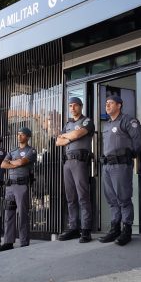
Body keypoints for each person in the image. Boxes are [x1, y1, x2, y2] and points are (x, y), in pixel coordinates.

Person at [99, 94, 141, 246]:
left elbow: (139, 141)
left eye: (111, 103)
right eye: (106, 103)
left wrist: (129, 155)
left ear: (119, 105)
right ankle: (115, 229)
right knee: (112, 199)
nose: (107, 105)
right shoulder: (106, 125)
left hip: (121, 165)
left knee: (123, 198)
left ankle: (127, 230)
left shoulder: (127, 120)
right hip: (107, 166)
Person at [56, 97, 95, 243]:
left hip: (80, 161)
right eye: (70, 106)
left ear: (81, 106)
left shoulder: (86, 121)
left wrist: (67, 137)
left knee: (83, 196)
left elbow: (78, 134)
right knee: (70, 197)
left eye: (75, 105)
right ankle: (73, 228)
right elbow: (57, 141)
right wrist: (69, 137)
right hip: (67, 162)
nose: (72, 108)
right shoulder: (68, 124)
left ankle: (86, 230)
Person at [0, 127, 37, 252]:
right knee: (8, 213)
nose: (19, 136)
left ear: (28, 137)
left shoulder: (31, 150)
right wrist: (15, 162)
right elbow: (3, 164)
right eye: (18, 134)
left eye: (22, 134)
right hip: (10, 186)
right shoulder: (13, 151)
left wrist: (12, 162)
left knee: (22, 214)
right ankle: (8, 242)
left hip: (21, 185)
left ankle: (24, 241)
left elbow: (22, 162)